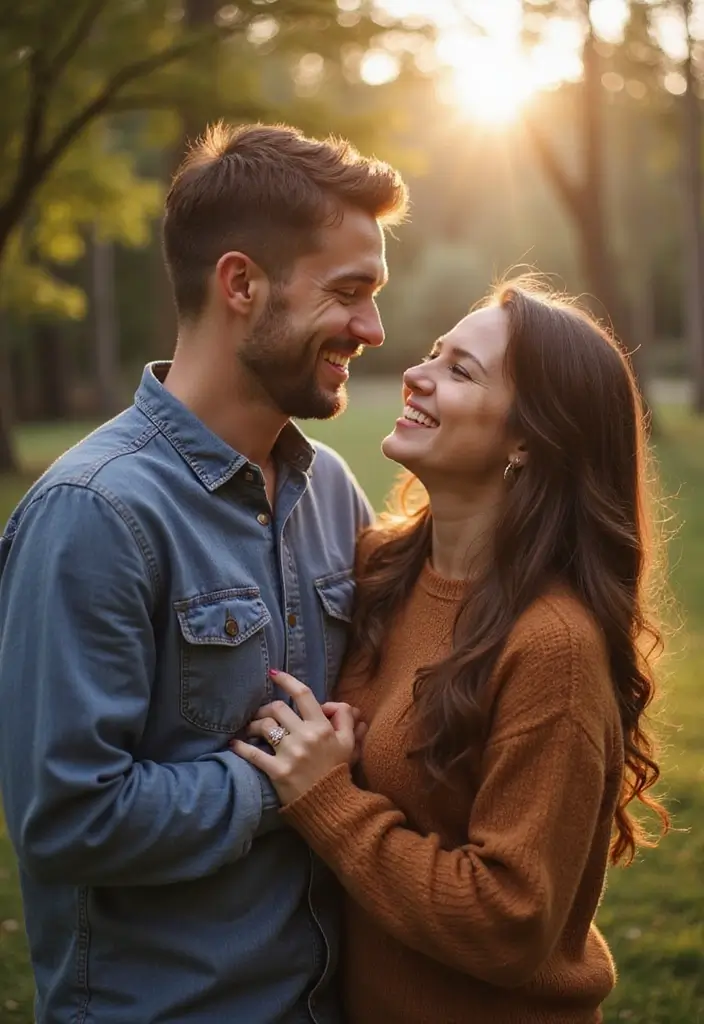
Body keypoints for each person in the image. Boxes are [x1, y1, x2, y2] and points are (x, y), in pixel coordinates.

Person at [0, 122, 408, 1024]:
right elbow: (66, 819)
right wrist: (285, 784)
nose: (373, 329)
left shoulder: (331, 490)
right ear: (240, 283)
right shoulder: (94, 513)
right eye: (349, 293)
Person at [234, 281, 671, 1024]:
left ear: (531, 436)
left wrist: (329, 799)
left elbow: (509, 924)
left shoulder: (552, 647)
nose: (416, 372)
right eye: (435, 352)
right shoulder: (378, 571)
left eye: (461, 370)